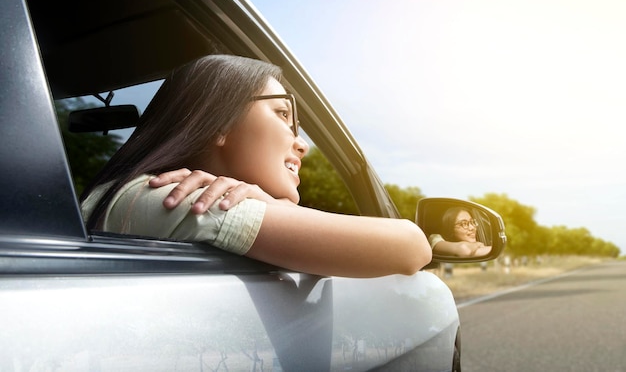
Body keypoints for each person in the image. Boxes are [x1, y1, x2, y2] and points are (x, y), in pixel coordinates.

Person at [81, 54, 431, 278]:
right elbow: (411, 246)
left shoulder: (137, 193)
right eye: (282, 114)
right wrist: (270, 206)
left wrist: (271, 203)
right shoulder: (176, 198)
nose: (302, 144)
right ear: (217, 123)